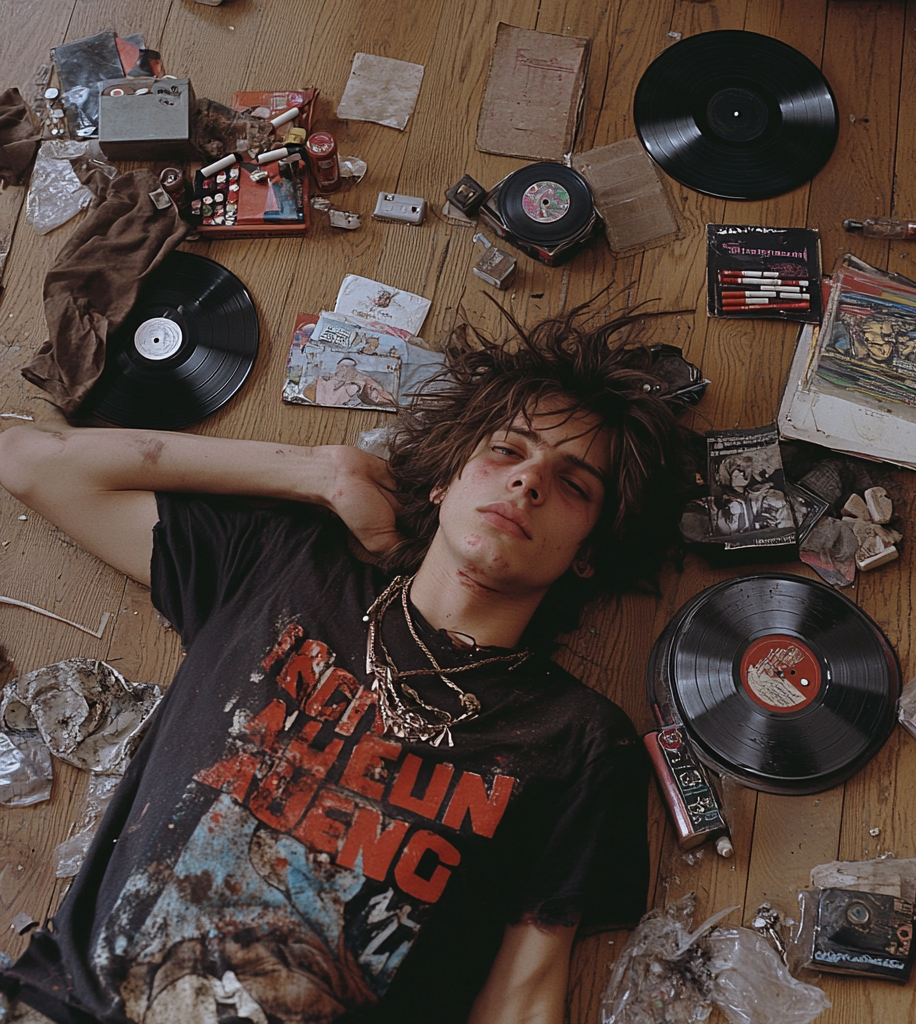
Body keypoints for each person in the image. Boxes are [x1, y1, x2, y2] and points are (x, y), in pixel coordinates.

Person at [0, 305, 690, 1024]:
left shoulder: (579, 741)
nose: (528, 483)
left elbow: (521, 994)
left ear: (588, 554)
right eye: (506, 451)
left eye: (574, 484)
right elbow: (30, 462)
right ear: (442, 482)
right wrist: (321, 471)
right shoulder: (280, 567)